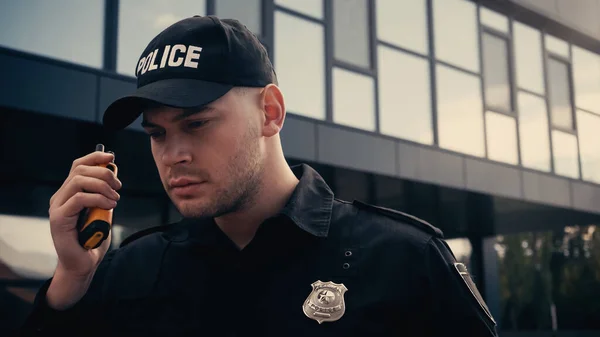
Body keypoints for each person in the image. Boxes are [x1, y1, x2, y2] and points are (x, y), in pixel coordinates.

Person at [16, 15, 498, 337]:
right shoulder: (129, 271)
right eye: (158, 133)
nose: (173, 154)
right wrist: (71, 279)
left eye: (197, 123)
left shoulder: (406, 260)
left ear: (269, 112)